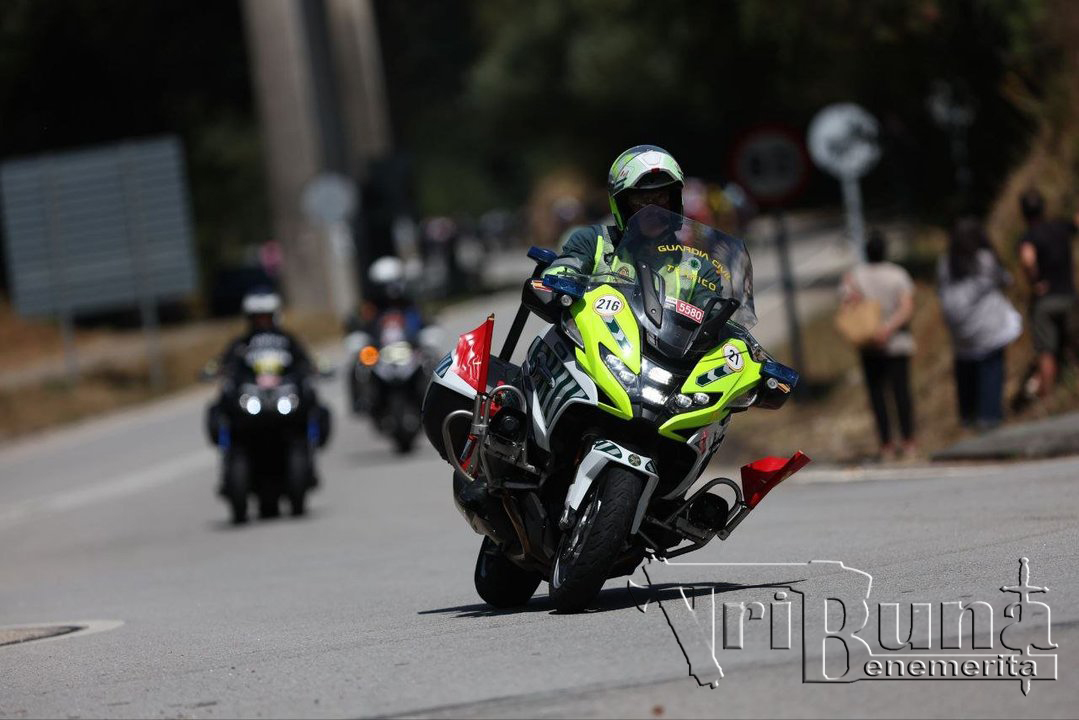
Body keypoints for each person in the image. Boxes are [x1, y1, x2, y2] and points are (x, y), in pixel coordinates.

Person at [545, 144, 686, 280]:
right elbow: (562, 271)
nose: (653, 210)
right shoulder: (593, 242)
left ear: (675, 201)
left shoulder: (693, 264)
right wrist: (559, 279)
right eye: (641, 199)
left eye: (661, 197)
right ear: (622, 206)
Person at [937, 218, 1022, 430]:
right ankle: (990, 417)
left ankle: (969, 416)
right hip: (987, 326)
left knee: (967, 371)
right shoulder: (984, 259)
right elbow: (1005, 279)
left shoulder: (946, 263)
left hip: (959, 331)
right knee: (991, 370)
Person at [839, 230, 916, 460]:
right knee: (902, 393)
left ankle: (886, 445)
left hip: (869, 344)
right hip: (897, 343)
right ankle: (909, 442)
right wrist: (889, 328)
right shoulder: (898, 275)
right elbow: (907, 307)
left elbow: (846, 305)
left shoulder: (855, 276)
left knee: (877, 396)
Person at [1017, 188, 1079, 399]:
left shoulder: (1030, 236)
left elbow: (1027, 259)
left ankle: (1049, 397)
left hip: (1046, 301)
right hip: (1069, 296)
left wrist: (1034, 281)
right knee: (1074, 344)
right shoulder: (1060, 227)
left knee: (1046, 352)